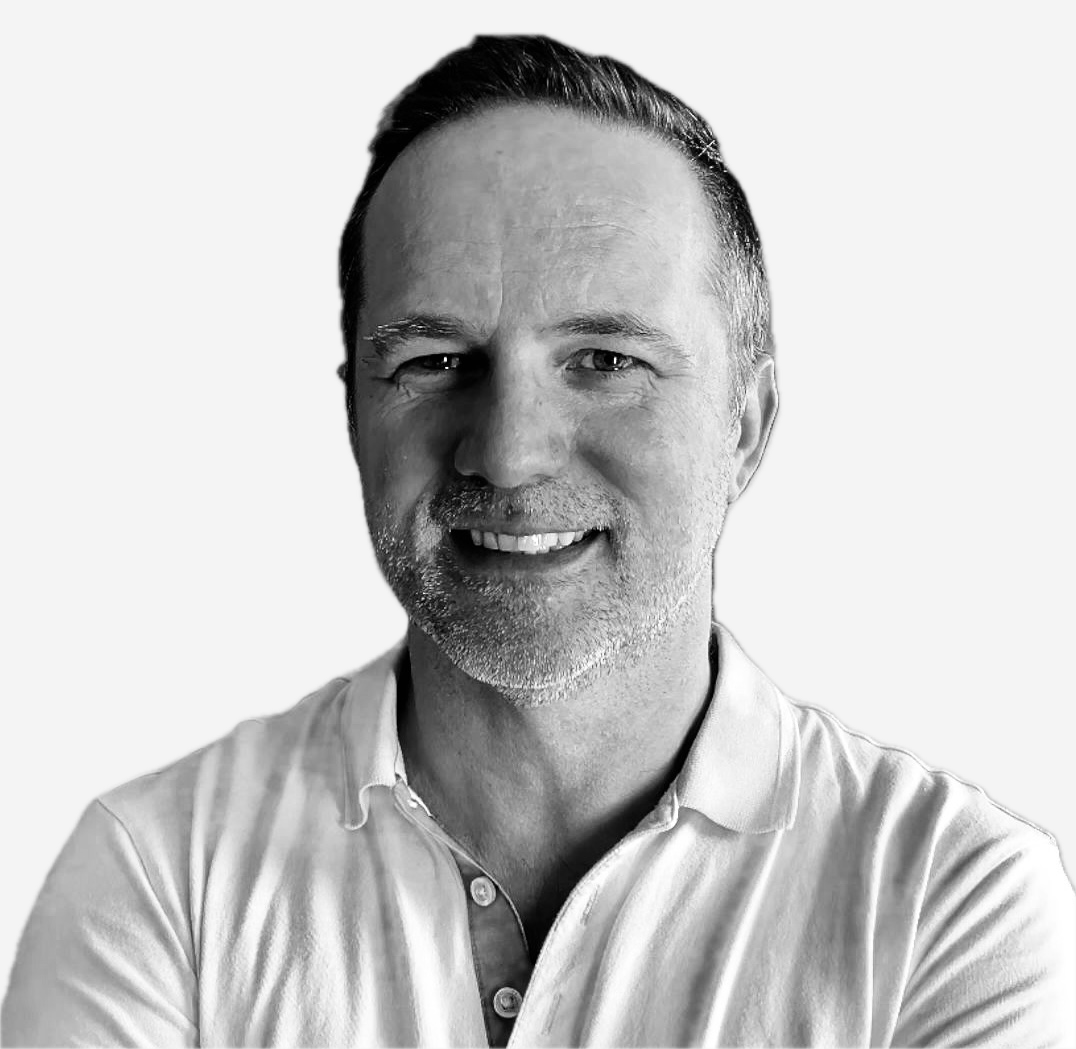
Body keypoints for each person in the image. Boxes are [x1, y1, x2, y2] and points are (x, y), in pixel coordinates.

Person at [3, 33, 1073, 1048]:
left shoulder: (953, 898)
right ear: (352, 415)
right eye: (432, 360)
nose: (507, 454)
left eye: (604, 359)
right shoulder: (158, 876)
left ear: (743, 425)